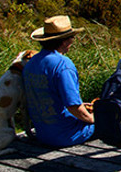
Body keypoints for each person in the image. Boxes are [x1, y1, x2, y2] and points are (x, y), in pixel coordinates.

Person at [23, 15, 95, 147]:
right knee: (109, 122)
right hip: (66, 134)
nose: (73, 41)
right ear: (64, 41)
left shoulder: (31, 63)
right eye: (72, 38)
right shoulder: (63, 65)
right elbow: (73, 106)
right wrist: (92, 119)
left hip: (43, 133)